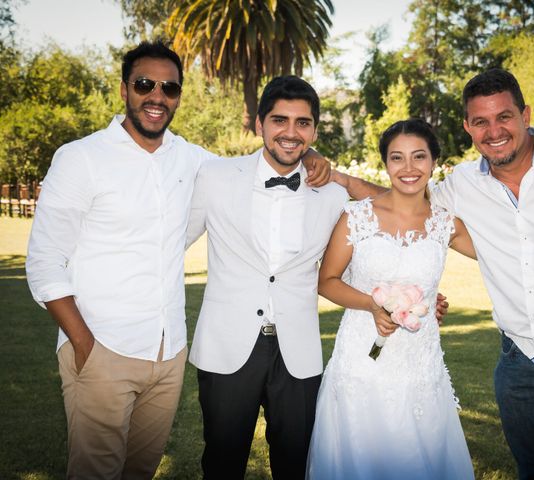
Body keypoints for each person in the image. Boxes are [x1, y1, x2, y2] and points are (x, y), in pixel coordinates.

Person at [25, 42, 330, 479]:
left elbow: (262, 164)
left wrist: (308, 155)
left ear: (178, 96)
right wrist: (85, 345)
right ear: (124, 89)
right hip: (102, 345)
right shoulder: (81, 159)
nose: (157, 96)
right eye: (145, 84)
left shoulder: (194, 160)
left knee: (140, 470)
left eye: (169, 88)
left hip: (168, 354)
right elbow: (44, 264)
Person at [332, 68, 534, 479]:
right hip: (521, 364)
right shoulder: (461, 185)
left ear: (525, 114)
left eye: (504, 117)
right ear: (468, 128)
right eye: (481, 121)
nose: (494, 131)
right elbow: (402, 205)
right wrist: (336, 176)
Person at [186, 75, 349, 479]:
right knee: (222, 464)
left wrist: (408, 291)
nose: (291, 133)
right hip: (226, 348)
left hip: (299, 353)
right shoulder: (215, 177)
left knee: (296, 465)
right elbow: (169, 241)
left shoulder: (332, 194)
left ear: (314, 129)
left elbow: (398, 206)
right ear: (259, 124)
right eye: (280, 120)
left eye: (303, 123)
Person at [306, 119, 476, 479]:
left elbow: (502, 253)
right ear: (385, 163)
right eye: (397, 158)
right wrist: (370, 303)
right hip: (360, 362)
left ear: (433, 162)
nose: (409, 168)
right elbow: (327, 281)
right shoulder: (356, 217)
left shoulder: (447, 224)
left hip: (420, 366)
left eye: (419, 157)